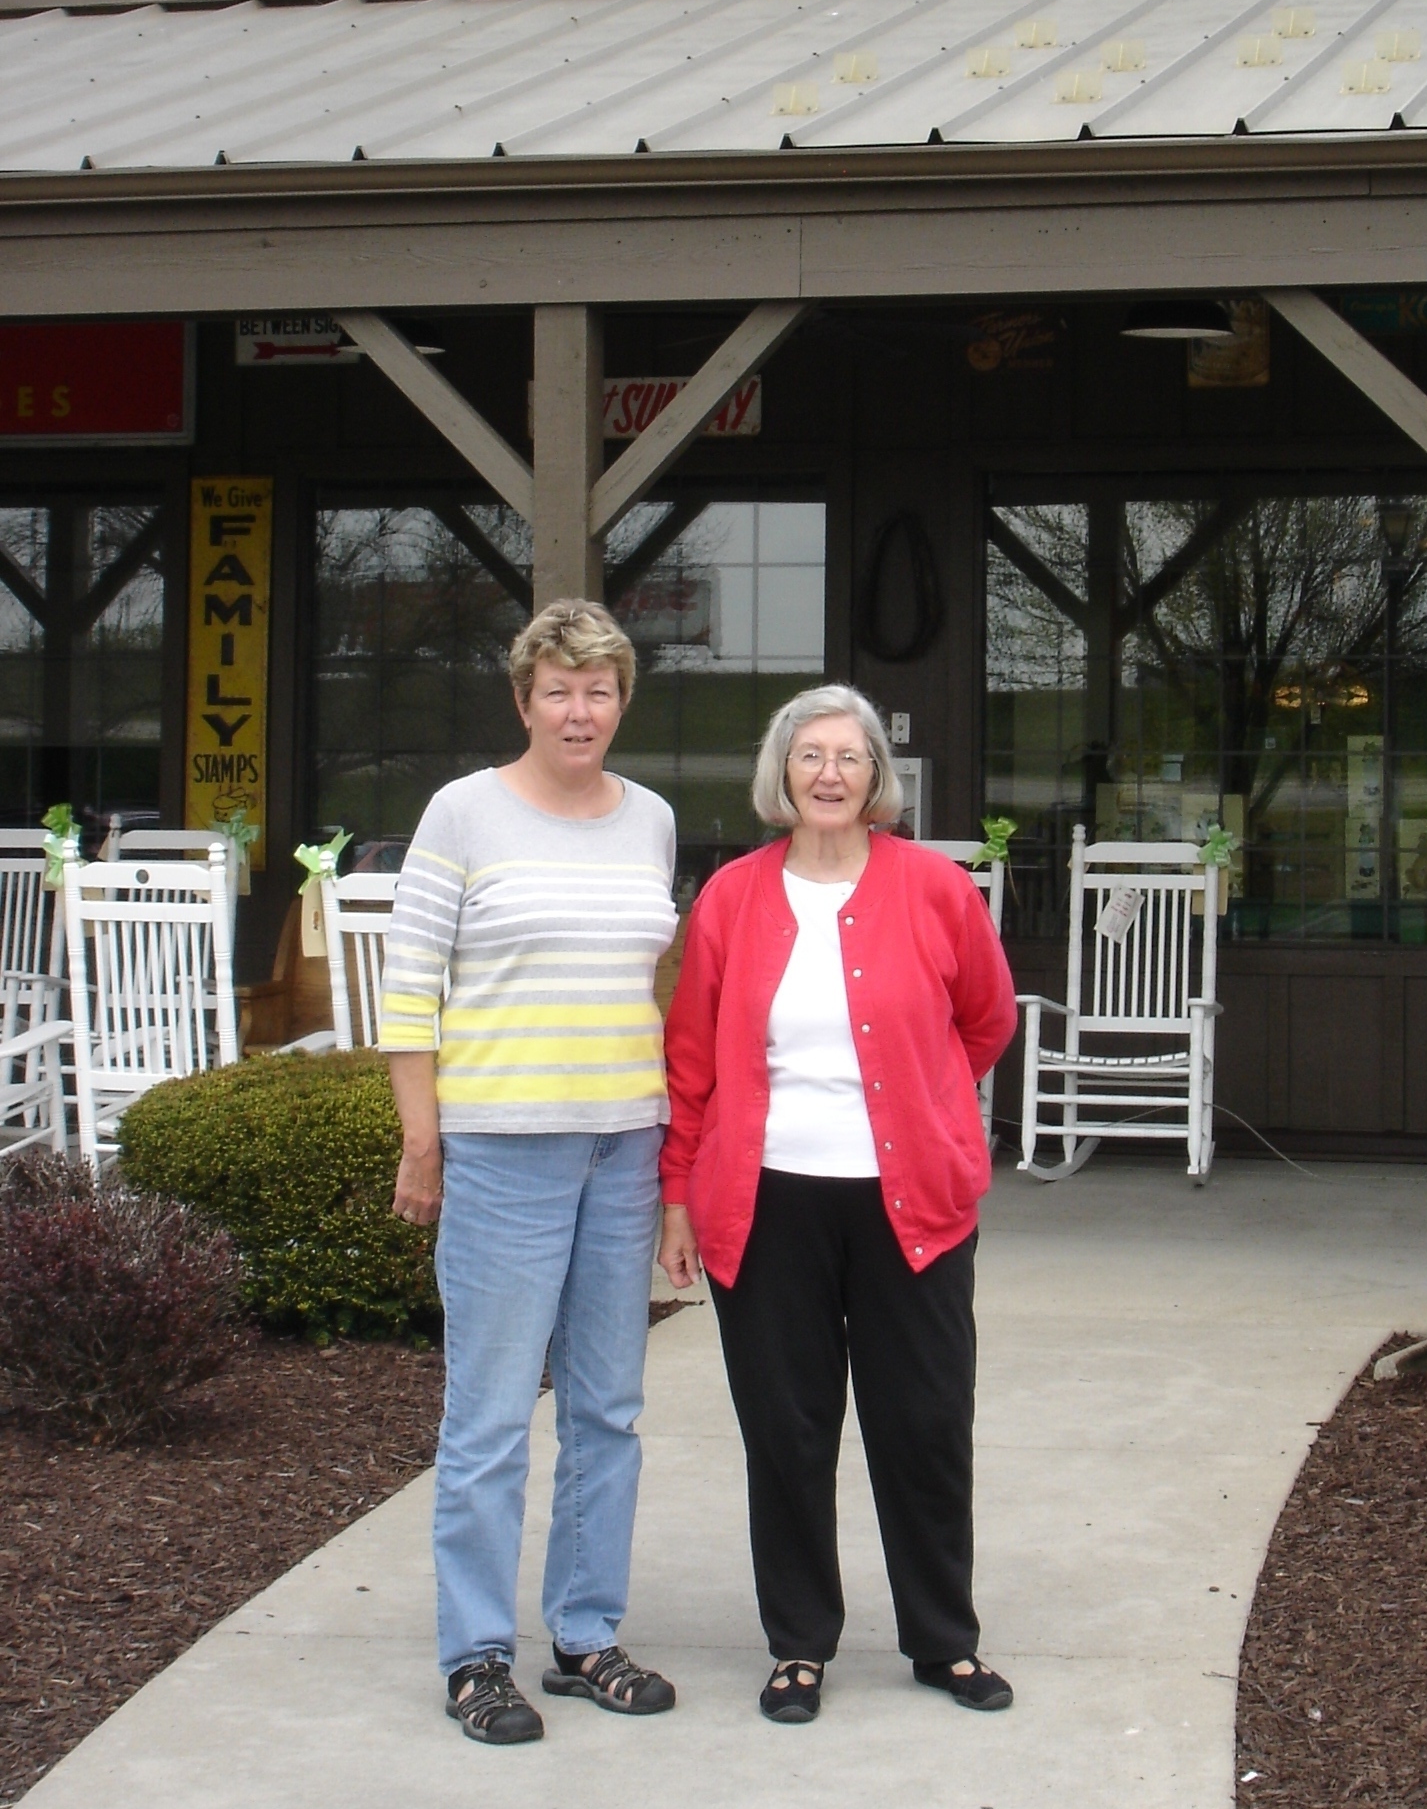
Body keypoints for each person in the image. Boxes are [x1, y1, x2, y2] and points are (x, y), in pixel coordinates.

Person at [660, 683, 1018, 1724]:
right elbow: (692, 1058)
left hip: (913, 1206)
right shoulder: (731, 897)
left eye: (848, 756)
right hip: (767, 1203)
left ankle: (944, 1641)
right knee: (788, 1429)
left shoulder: (937, 888)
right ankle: (799, 1645)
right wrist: (677, 1193)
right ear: (782, 773)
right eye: (809, 755)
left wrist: (928, 1104)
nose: (829, 773)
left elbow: (986, 1020)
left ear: (875, 778)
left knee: (925, 1422)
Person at [383, 598, 679, 1745]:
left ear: (622, 702)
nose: (579, 711)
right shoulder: (463, 813)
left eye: (599, 690)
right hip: (504, 1151)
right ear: (524, 702)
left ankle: (585, 1636)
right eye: (559, 690)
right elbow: (409, 988)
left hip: (624, 1148)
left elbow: (647, 983)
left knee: (608, 1410)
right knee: (492, 1417)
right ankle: (476, 1657)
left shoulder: (651, 820)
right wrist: (423, 1142)